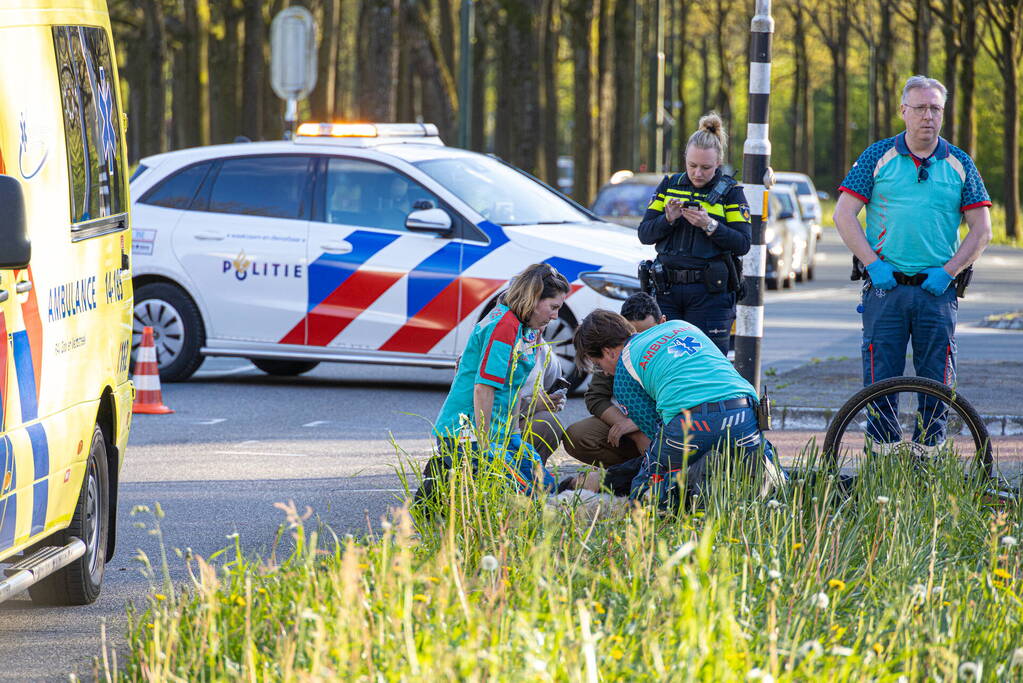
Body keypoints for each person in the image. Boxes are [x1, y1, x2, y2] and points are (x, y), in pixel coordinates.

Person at [833, 75, 992, 454]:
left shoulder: (960, 163)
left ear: (943, 113)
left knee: (937, 382)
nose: (928, 116)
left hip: (936, 292)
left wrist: (950, 271)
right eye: (919, 108)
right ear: (903, 111)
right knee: (880, 380)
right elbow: (843, 215)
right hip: (885, 289)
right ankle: (883, 459)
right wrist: (873, 265)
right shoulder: (877, 156)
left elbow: (982, 230)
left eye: (935, 108)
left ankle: (928, 459)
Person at [573, 310, 784, 508]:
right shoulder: (680, 325)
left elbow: (655, 433)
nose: (605, 373)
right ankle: (781, 494)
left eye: (598, 364)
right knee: (766, 468)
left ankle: (684, 489)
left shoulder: (624, 372)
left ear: (609, 352)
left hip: (692, 422)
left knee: (644, 491)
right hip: (745, 410)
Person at [414, 264, 571, 505]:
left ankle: (449, 479)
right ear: (534, 299)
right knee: (521, 489)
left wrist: (513, 437)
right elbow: (483, 388)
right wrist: (486, 446)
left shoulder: (521, 326)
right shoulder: (505, 327)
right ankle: (447, 478)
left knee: (541, 481)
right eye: (553, 307)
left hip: (502, 430)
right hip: (466, 432)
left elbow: (513, 388)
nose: (555, 316)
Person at [637, 112, 751, 354]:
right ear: (685, 159)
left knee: (706, 362)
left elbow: (743, 243)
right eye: (692, 166)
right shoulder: (670, 185)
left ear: (718, 163)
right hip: (667, 290)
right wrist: (667, 219)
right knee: (666, 361)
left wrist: (709, 225)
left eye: (706, 167)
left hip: (709, 294)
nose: (698, 173)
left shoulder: (731, 193)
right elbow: (645, 234)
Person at [562, 293, 664, 493]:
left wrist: (639, 422)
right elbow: (595, 397)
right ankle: (639, 469)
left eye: (645, 334)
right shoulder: (616, 355)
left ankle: (647, 475)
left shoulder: (664, 350)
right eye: (633, 336)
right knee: (579, 434)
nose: (638, 344)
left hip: (674, 424)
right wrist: (625, 423)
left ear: (662, 323)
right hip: (639, 427)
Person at [517, 339, 567, 464]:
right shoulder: (499, 341)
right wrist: (532, 405)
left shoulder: (544, 350)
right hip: (490, 426)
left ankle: (532, 475)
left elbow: (560, 392)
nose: (554, 318)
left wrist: (554, 402)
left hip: (521, 421)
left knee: (550, 423)